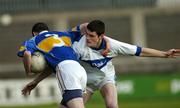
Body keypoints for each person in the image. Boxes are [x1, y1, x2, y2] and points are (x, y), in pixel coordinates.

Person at [21, 20, 180, 108]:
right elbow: (55, 64)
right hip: (86, 82)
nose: (87, 38)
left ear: (101, 36)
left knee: (112, 105)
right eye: (87, 34)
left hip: (106, 78)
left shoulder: (113, 45)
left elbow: (140, 51)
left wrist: (164, 54)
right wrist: (35, 82)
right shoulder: (77, 46)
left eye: (91, 36)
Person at [17, 22, 88, 108]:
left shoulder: (34, 40)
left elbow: (27, 54)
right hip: (79, 69)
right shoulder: (63, 34)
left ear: (34, 33)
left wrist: (28, 72)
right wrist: (36, 81)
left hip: (66, 71)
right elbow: (86, 25)